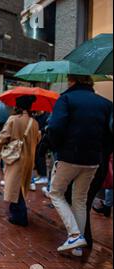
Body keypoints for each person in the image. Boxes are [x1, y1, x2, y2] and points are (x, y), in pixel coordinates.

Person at [47, 74, 112, 254]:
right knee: (80, 200)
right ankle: (77, 248)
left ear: (72, 80)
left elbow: (55, 127)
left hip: (69, 155)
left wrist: (56, 147)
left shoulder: (66, 98)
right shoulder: (106, 104)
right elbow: (109, 135)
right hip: (93, 159)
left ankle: (75, 235)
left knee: (56, 193)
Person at [0, 95, 41, 227]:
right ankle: (16, 212)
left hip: (16, 158)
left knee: (15, 187)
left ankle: (20, 215)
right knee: (21, 186)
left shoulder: (13, 119)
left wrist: (3, 149)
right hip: (29, 158)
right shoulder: (34, 122)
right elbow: (38, 139)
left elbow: (2, 138)